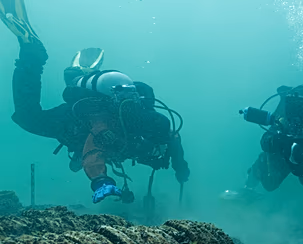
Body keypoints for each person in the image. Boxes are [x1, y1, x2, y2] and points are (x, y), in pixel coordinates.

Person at [1, 0, 190, 204]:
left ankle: (33, 55)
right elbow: (94, 152)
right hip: (75, 123)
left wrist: (180, 167)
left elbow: (173, 139)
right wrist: (101, 181)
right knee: (28, 117)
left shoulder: (148, 126)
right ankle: (33, 53)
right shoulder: (121, 126)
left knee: (28, 116)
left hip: (78, 120)